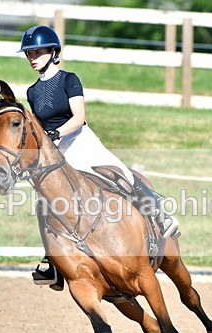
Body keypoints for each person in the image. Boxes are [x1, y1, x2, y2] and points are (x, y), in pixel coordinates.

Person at [18, 25, 180, 290]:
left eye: (37, 52)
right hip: (56, 152)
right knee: (45, 204)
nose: (32, 57)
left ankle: (160, 215)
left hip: (79, 140)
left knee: (122, 172)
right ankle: (53, 261)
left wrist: (56, 133)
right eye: (29, 53)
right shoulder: (32, 92)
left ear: (53, 52)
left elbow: (78, 117)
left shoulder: (69, 80)